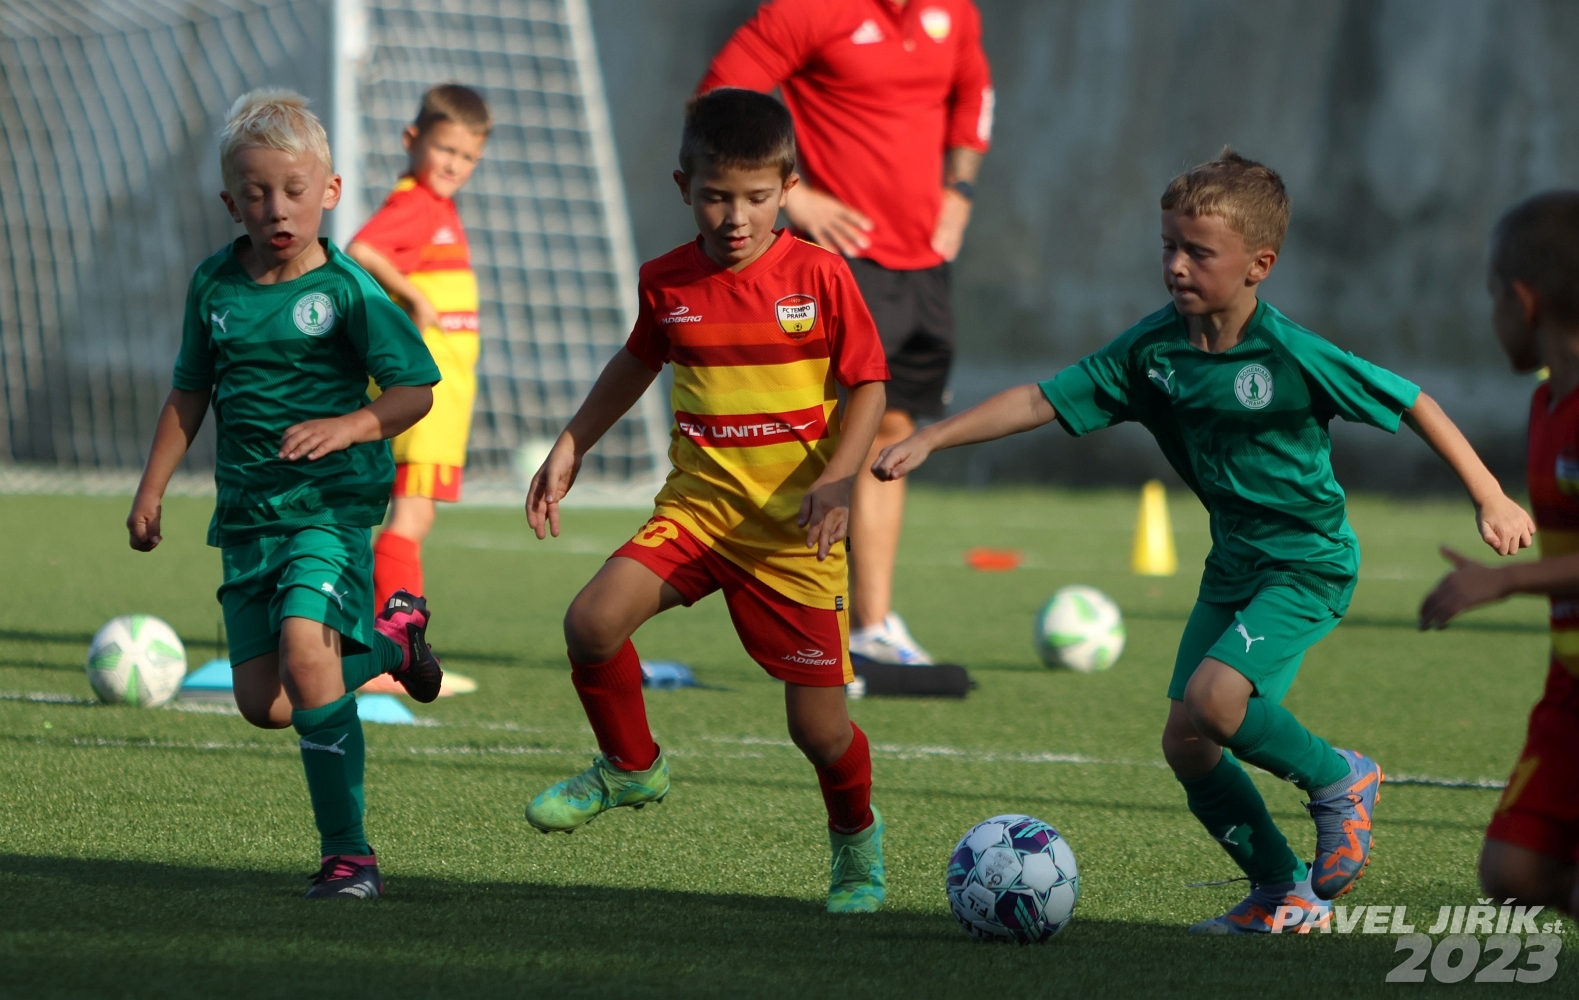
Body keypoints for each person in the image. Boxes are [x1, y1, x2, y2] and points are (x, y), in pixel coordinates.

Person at [872, 149, 1535, 933]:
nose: (1176, 266)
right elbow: (1043, 399)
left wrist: (1489, 494)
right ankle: (1279, 891)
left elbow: (1412, 401)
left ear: (1259, 265)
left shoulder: (1289, 352)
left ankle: (1340, 778)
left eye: (1197, 251)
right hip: (1234, 567)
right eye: (1167, 246)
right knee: (1187, 743)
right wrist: (932, 437)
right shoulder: (1151, 352)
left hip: (1306, 564)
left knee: (1215, 701)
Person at [523, 89, 892, 913]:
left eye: (756, 197)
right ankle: (631, 766)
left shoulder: (820, 276)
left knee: (819, 732)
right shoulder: (666, 281)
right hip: (698, 514)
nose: (735, 217)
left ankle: (855, 843)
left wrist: (838, 478)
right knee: (590, 623)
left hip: (793, 534)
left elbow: (868, 383)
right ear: (683, 186)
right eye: (716, 197)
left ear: (787, 188)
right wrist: (572, 440)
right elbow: (636, 361)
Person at [125, 90, 445, 900]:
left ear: (328, 191)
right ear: (230, 202)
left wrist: (349, 425)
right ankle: (394, 644)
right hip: (247, 518)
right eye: (257, 193)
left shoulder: (347, 290)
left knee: (307, 653)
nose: (277, 208)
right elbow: (189, 391)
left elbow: (414, 389)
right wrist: (152, 489)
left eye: (294, 191)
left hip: (329, 511)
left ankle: (349, 857)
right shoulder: (214, 286)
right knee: (265, 704)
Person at [700, 0, 993, 665]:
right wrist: (793, 196)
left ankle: (871, 626)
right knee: (820, 432)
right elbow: (718, 100)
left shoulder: (953, 10)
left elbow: (974, 95)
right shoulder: (808, 9)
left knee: (893, 429)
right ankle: (790, 610)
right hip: (842, 261)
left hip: (924, 262)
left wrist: (960, 191)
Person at [1419, 190, 1579, 920]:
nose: (1491, 315)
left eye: (1492, 296)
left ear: (1524, 300)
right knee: (1515, 872)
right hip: (1568, 687)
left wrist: (1508, 579)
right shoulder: (1546, 406)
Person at [347, 84, 491, 610]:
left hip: (440, 397)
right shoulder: (419, 204)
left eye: (467, 156)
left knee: (412, 515)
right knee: (411, 516)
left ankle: (380, 633)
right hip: (427, 396)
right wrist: (413, 298)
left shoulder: (437, 206)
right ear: (412, 139)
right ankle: (397, 640)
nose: (454, 164)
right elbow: (361, 249)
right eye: (445, 149)